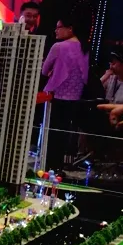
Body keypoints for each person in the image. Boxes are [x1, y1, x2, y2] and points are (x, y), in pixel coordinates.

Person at [42, 16, 91, 169]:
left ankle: (49, 166)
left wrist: (52, 72)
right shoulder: (84, 47)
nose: (56, 30)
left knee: (53, 133)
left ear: (70, 29)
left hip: (57, 97)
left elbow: (44, 69)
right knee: (66, 133)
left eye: (59, 27)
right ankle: (61, 166)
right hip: (76, 98)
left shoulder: (58, 47)